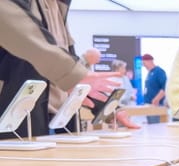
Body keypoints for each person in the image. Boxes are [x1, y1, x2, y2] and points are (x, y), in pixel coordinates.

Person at [0, 0, 119, 138]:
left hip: (53, 123)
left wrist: (108, 109)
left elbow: (66, 62)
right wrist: (71, 74)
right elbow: (19, 31)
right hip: (15, 124)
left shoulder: (57, 6)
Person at [109, 59, 140, 129]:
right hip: (116, 107)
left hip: (127, 106)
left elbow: (130, 91)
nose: (125, 70)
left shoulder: (125, 78)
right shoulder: (111, 79)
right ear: (117, 69)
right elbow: (111, 95)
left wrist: (132, 96)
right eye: (123, 68)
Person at [141, 53, 167, 124]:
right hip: (148, 106)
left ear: (150, 61)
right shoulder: (149, 73)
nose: (143, 65)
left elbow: (165, 87)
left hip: (156, 106)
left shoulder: (159, 72)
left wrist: (157, 98)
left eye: (144, 63)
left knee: (156, 128)